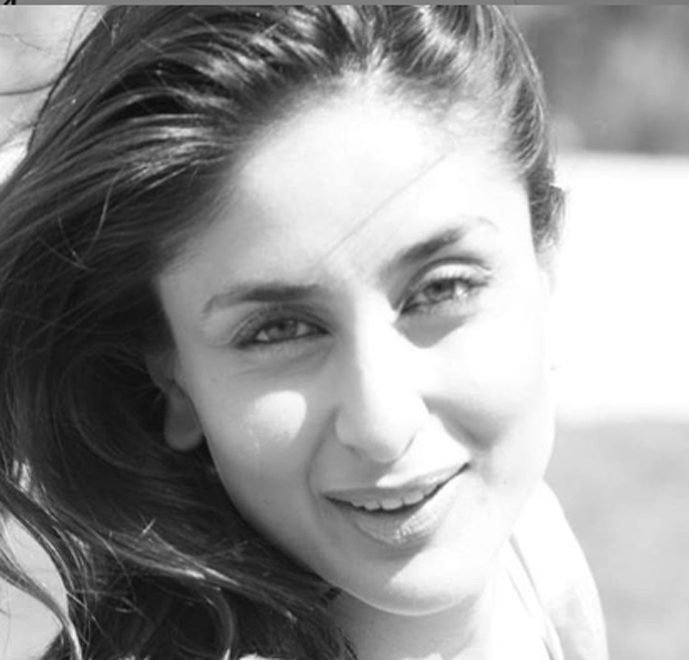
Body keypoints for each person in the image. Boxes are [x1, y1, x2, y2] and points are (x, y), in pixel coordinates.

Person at [0, 6, 607, 660]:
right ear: (173, 377)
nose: (383, 425)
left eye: (443, 288)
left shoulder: (530, 549)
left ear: (547, 263)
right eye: (279, 330)